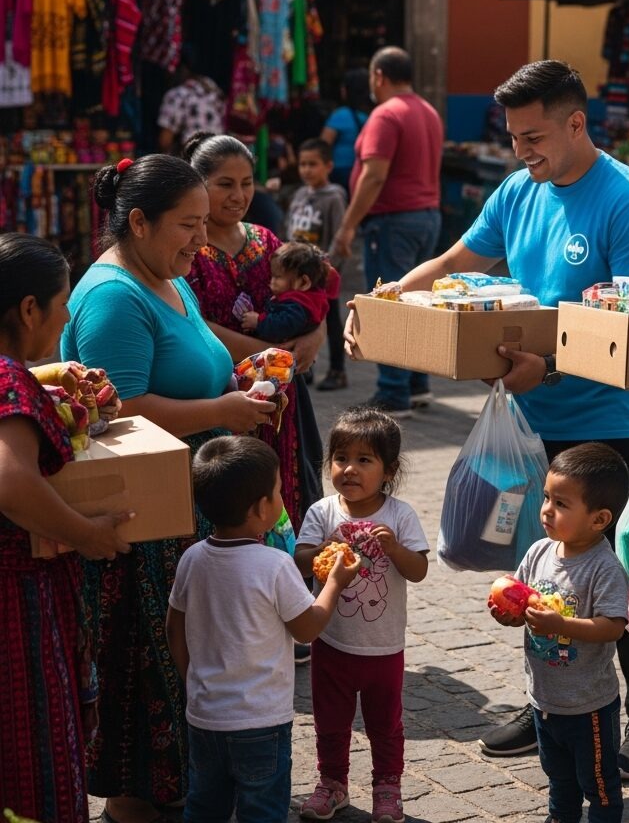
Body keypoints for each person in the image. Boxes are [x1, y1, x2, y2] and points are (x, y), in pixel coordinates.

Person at [348, 60, 629, 780]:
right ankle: (553, 703)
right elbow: (461, 255)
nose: (522, 151)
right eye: (514, 137)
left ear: (576, 123)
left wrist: (551, 366)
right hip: (529, 422)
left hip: (602, 425)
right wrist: (387, 303)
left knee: (612, 576)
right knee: (545, 571)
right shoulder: (519, 187)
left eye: (534, 137)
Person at [62, 154, 275, 823]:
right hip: (140, 525)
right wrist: (223, 412)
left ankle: (178, 791)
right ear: (138, 222)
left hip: (185, 509)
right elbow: (116, 408)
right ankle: (137, 805)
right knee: (145, 668)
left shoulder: (167, 276)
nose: (202, 240)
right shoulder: (111, 295)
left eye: (205, 223)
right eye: (188, 225)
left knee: (186, 662)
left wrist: (249, 358)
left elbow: (196, 334)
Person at [0, 234, 132, 823]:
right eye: (61, 304)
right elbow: (9, 480)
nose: (69, 317)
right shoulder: (8, 382)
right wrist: (86, 532)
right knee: (34, 746)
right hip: (16, 600)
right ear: (28, 309)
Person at [166, 436, 359, 823]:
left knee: (204, 806)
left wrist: (192, 679)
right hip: (261, 723)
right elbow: (307, 628)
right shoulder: (274, 565)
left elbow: (174, 627)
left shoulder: (191, 558)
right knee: (263, 810)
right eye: (277, 491)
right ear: (260, 508)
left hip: (204, 717)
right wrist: (334, 583)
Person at [183, 132, 325, 531]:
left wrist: (315, 336)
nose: (238, 195)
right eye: (225, 184)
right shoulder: (188, 248)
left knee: (288, 493)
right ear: (199, 185)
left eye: (247, 183)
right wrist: (272, 353)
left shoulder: (267, 240)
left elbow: (314, 291)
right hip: (222, 397)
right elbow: (196, 322)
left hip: (283, 398)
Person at [294, 407, 429, 823]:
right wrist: (324, 551)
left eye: (364, 460)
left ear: (388, 471)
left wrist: (394, 549)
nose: (349, 469)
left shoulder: (399, 516)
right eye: (341, 458)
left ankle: (388, 787)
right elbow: (299, 560)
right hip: (331, 642)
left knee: (385, 725)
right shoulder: (323, 513)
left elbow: (419, 570)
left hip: (384, 648)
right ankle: (332, 783)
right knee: (330, 722)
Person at [491, 443, 629, 823]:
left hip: (588, 707)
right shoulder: (539, 552)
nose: (547, 509)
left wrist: (562, 625)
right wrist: (510, 615)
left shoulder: (605, 568)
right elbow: (521, 605)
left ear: (599, 519)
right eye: (547, 497)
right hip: (544, 699)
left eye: (562, 504)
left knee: (599, 785)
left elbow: (613, 627)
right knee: (559, 778)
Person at [332, 46, 443, 416]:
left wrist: (347, 227)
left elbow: (374, 174)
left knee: (390, 304)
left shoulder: (386, 114)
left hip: (394, 220)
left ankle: (393, 393)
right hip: (426, 216)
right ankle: (416, 385)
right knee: (417, 303)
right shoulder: (428, 111)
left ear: (379, 76)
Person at [288, 138, 349, 391]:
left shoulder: (334, 198)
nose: (306, 170)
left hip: (322, 275)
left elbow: (339, 235)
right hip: (297, 275)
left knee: (331, 322)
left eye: (313, 164)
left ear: (328, 166)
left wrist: (328, 269)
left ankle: (337, 370)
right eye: (303, 164)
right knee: (303, 321)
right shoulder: (300, 194)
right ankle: (305, 367)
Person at [240, 240, 336, 343]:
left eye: (277, 277)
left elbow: (283, 326)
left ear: (304, 282)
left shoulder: (297, 306)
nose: (272, 281)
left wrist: (258, 322)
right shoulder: (308, 297)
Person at [156, 49, 226, 156]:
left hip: (191, 161)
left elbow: (165, 140)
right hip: (217, 156)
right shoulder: (214, 90)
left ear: (182, 68)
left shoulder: (178, 95)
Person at [321, 66, 372, 193]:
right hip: (363, 170)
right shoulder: (372, 116)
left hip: (340, 172)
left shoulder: (340, 116)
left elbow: (323, 145)